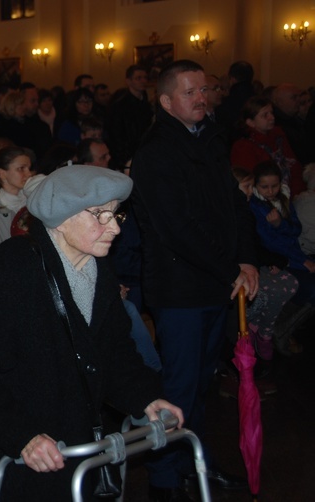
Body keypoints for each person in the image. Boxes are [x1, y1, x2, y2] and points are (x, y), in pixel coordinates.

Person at [0, 165, 183, 501]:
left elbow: (114, 352)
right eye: (100, 215)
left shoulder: (99, 274)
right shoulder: (8, 271)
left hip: (66, 444)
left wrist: (146, 398)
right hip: (7, 454)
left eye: (116, 215)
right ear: (60, 217)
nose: (113, 228)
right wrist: (20, 434)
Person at [130, 60, 259, 501]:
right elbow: (176, 229)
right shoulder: (155, 153)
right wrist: (231, 268)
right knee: (179, 388)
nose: (201, 98)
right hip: (181, 288)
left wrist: (247, 259)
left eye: (204, 90)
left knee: (202, 384)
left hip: (216, 283)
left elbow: (235, 204)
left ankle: (195, 463)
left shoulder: (210, 141)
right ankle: (165, 479)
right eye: (190, 92)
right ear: (167, 102)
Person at [232, 167, 299, 359]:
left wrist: (276, 260)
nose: (251, 192)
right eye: (247, 187)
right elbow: (256, 243)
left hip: (257, 262)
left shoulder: (254, 206)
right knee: (264, 293)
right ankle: (255, 332)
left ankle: (263, 331)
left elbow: (257, 244)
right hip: (240, 269)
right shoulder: (240, 210)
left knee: (290, 282)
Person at [248, 160, 315, 354]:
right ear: (256, 186)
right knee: (308, 289)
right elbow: (270, 243)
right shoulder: (256, 206)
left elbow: (296, 229)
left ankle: (284, 326)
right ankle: (281, 328)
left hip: (293, 255)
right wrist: (302, 262)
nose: (270, 191)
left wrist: (279, 225)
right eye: (265, 187)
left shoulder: (283, 198)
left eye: (274, 186)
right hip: (278, 261)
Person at [231, 96, 305, 196]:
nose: (272, 118)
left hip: (292, 194)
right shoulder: (243, 147)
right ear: (251, 122)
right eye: (265, 115)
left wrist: (298, 193)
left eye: (271, 113)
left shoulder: (279, 137)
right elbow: (251, 181)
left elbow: (294, 166)